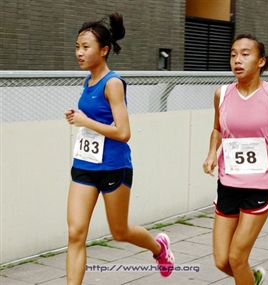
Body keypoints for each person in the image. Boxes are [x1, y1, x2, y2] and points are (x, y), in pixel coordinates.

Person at [64, 12, 174, 285]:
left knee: (120, 232)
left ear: (103, 51)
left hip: (114, 165)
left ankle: (160, 249)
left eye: (85, 47)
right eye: (77, 47)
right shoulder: (87, 80)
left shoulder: (113, 83)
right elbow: (93, 120)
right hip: (85, 165)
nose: (79, 52)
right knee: (76, 233)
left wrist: (85, 120)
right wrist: (78, 119)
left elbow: (123, 133)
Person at [203, 33, 268, 285]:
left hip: (259, 184)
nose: (237, 60)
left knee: (237, 256)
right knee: (221, 260)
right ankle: (252, 279)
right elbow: (218, 128)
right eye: (233, 55)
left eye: (245, 54)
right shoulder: (222, 93)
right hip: (228, 182)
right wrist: (211, 154)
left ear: (260, 61)